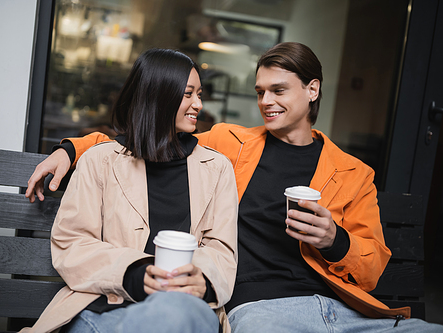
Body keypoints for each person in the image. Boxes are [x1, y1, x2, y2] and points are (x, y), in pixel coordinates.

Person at [26, 42, 443, 332]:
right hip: (262, 311)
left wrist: (335, 240)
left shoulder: (354, 173)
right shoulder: (228, 146)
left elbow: (371, 271)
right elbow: (144, 140)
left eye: (278, 90)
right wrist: (71, 148)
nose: (266, 102)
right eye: (260, 92)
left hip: (347, 311)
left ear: (312, 90)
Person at [21, 48, 238, 333]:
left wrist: (204, 280)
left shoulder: (217, 167)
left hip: (184, 311)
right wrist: (134, 274)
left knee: (174, 316)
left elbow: (221, 250)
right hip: (104, 309)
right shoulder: (99, 161)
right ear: (159, 94)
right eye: (188, 94)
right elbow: (71, 245)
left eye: (200, 94)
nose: (198, 104)